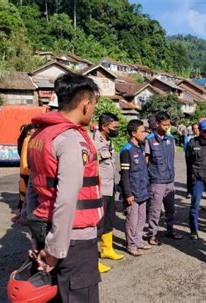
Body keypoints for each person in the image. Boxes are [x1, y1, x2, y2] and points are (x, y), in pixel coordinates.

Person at [25, 73, 102, 302]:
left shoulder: (41, 134)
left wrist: (35, 235)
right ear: (86, 104)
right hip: (72, 239)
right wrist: (54, 252)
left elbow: (33, 185)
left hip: (44, 227)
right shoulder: (69, 140)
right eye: (94, 105)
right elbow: (67, 198)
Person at [145, 112, 183, 245]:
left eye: (169, 124)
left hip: (169, 180)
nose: (167, 127)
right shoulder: (149, 140)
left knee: (170, 209)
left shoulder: (170, 139)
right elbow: (146, 161)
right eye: (164, 124)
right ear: (157, 124)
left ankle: (170, 230)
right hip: (156, 181)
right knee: (155, 210)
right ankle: (152, 235)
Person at [93, 113, 124, 273]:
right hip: (99, 189)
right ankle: (93, 260)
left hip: (109, 187)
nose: (117, 130)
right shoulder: (93, 141)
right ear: (104, 126)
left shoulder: (108, 141)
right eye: (115, 127)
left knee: (109, 219)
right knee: (97, 224)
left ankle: (107, 249)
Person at [120, 119, 152, 256]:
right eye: (142, 131)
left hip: (142, 190)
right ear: (133, 133)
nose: (145, 133)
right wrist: (127, 193)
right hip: (132, 192)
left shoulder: (140, 147)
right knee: (132, 221)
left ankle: (138, 241)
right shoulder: (126, 150)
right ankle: (131, 245)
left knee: (141, 219)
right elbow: (125, 175)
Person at [12, 124, 37, 223]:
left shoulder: (25, 139)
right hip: (27, 169)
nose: (34, 130)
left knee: (25, 193)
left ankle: (23, 212)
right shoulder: (29, 139)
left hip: (24, 169)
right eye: (32, 129)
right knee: (28, 194)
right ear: (28, 131)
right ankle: (25, 214)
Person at [184, 122, 200, 199]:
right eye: (194, 129)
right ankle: (189, 191)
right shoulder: (188, 138)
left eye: (197, 128)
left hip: (199, 159)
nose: (196, 130)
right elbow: (186, 149)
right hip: (190, 158)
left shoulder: (202, 137)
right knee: (190, 175)